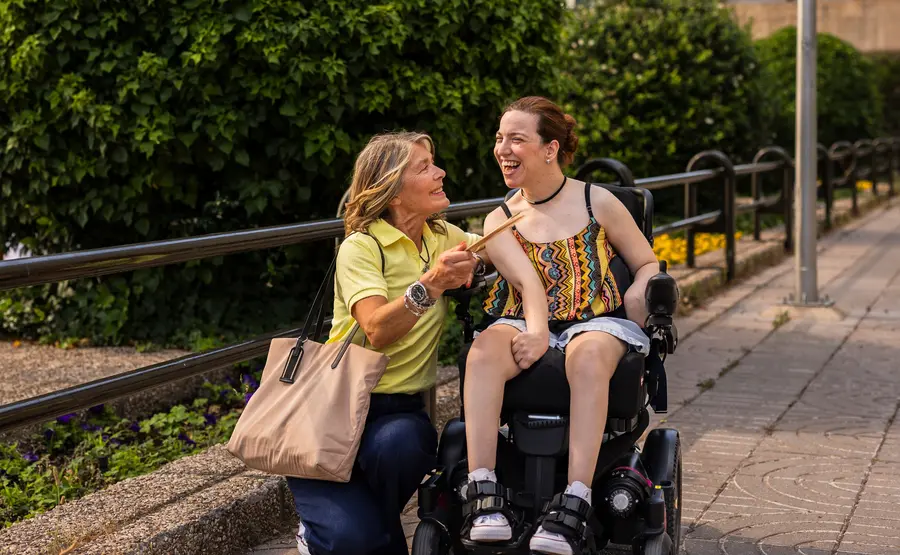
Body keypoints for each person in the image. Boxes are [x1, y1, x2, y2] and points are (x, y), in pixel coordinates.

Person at [460, 96, 659, 555]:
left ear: (549, 149)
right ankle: (483, 491)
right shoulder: (501, 219)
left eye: (516, 139)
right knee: (484, 349)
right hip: (522, 319)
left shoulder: (597, 201)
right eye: (499, 138)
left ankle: (576, 498)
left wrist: (638, 289)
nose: (502, 148)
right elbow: (524, 285)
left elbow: (647, 262)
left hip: (596, 321)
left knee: (586, 352)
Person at [287, 131, 487, 555]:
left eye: (434, 162)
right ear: (393, 193)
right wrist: (431, 284)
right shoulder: (361, 247)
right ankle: (325, 535)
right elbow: (377, 329)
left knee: (404, 448)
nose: (440, 172)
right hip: (331, 412)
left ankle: (347, 536)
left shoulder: (442, 236)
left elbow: (501, 246)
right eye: (424, 167)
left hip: (395, 414)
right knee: (359, 542)